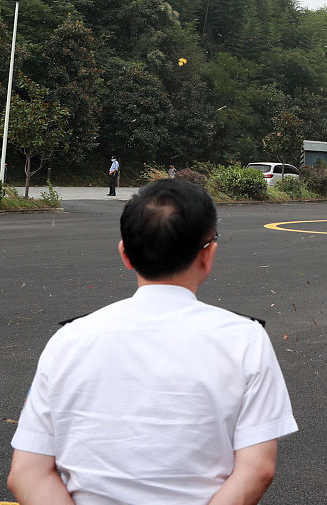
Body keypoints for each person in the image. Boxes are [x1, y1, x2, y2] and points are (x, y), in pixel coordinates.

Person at [8, 178, 298, 504]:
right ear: (208, 255)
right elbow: (257, 469)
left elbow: (27, 473)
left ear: (125, 255)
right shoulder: (246, 340)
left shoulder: (68, 341)